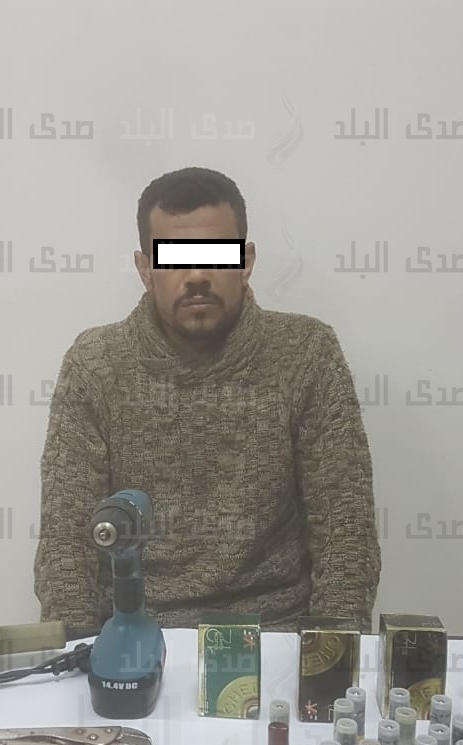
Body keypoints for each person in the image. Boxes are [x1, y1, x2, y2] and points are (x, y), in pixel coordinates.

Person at [33, 166, 381, 633]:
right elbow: (66, 540)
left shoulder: (306, 354)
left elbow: (345, 531)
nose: (196, 276)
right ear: (145, 270)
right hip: (136, 636)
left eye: (216, 256)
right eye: (175, 260)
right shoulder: (96, 365)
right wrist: (76, 651)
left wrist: (331, 656)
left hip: (277, 633)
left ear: (246, 261)